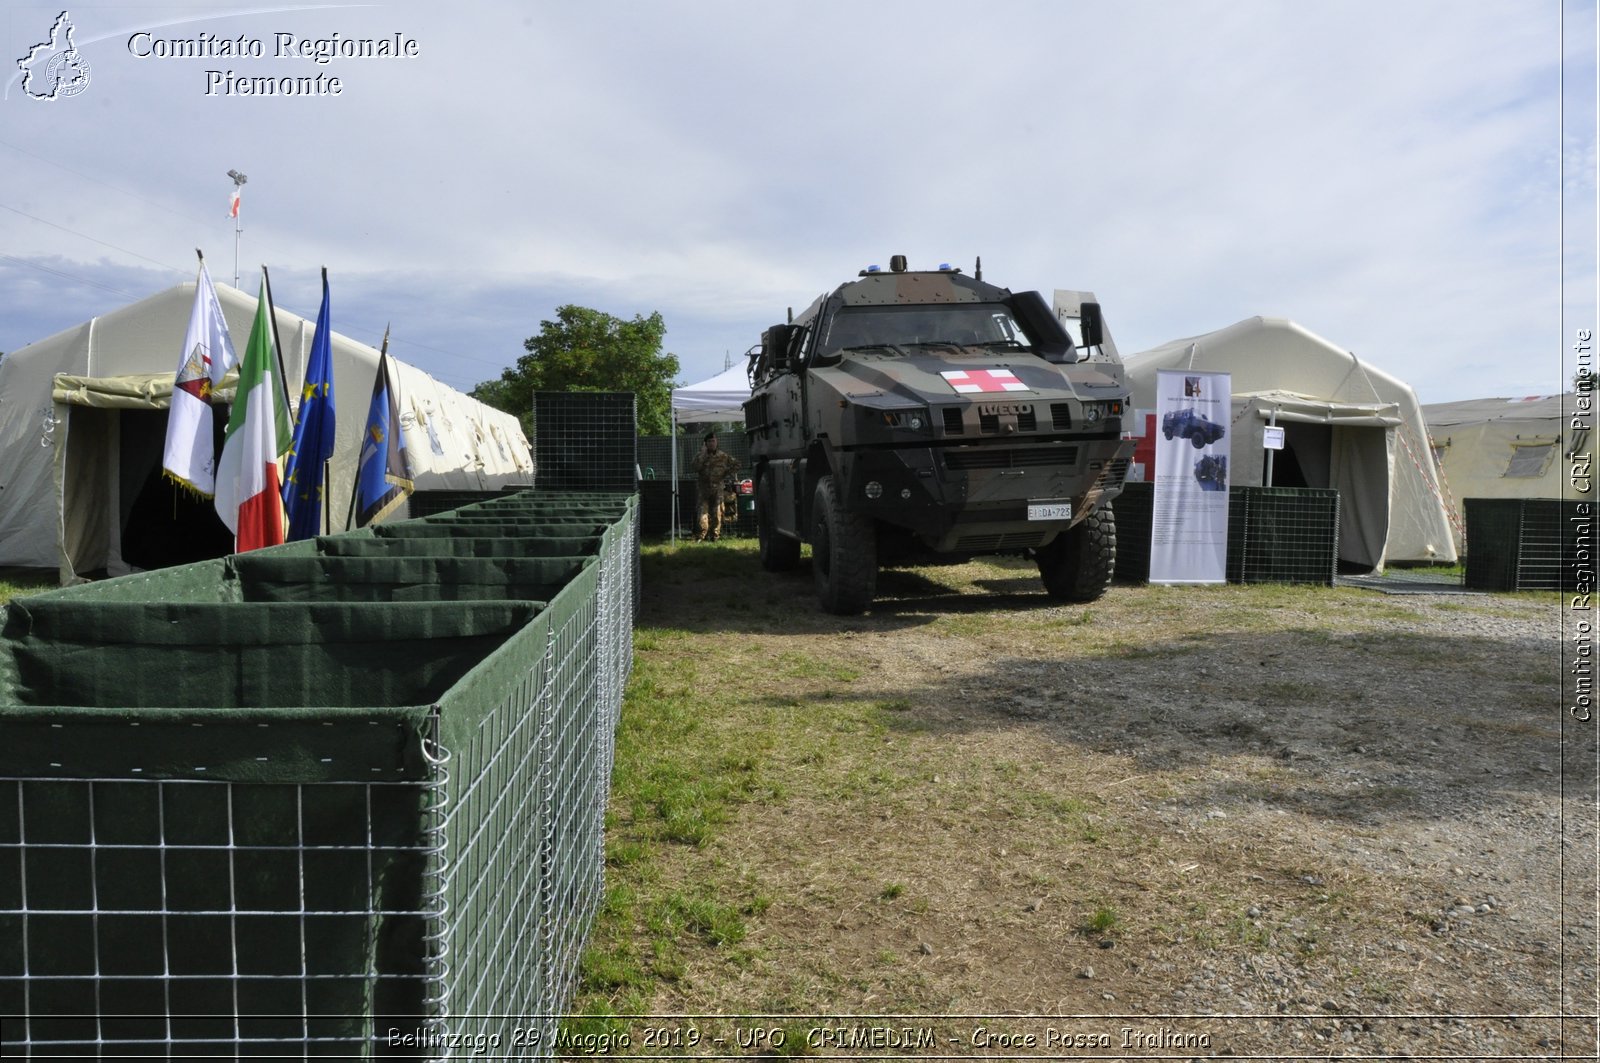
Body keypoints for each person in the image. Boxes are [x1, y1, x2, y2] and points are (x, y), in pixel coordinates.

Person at [691, 431, 738, 541]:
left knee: (718, 513)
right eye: (709, 441)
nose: (712, 443)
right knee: (702, 513)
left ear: (717, 442)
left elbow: (737, 464)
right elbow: (695, 467)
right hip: (704, 490)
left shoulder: (723, 456)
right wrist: (703, 454)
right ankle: (701, 536)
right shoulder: (700, 455)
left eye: (714, 441)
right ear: (705, 443)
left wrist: (726, 472)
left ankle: (714, 536)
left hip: (718, 489)